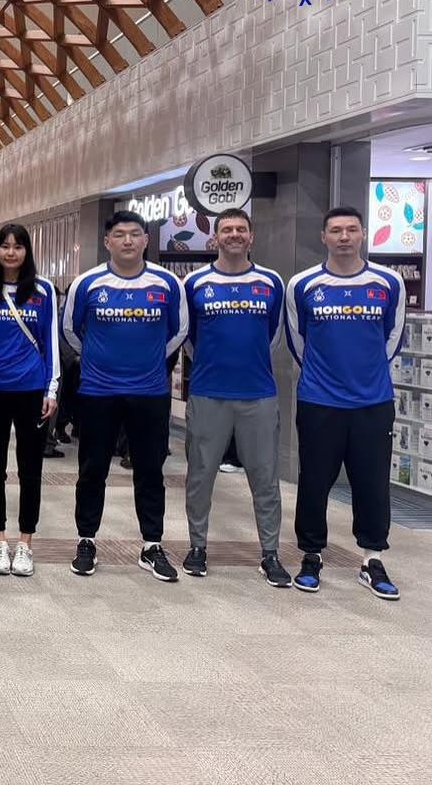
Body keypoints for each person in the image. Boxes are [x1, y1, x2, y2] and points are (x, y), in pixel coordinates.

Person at [286, 206, 405, 599]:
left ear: (363, 234)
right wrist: (328, 375)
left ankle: (372, 559)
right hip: (319, 401)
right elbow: (297, 341)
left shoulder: (388, 282)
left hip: (373, 402)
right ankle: (311, 555)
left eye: (351, 230)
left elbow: (393, 338)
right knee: (314, 480)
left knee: (372, 482)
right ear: (323, 236)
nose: (344, 237)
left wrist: (365, 374)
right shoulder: (303, 285)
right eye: (335, 230)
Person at [62, 210, 188, 582]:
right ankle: (86, 539)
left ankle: (152, 545)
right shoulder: (87, 283)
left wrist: (150, 360)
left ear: (146, 240)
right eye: (120, 234)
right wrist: (94, 358)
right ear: (107, 242)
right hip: (98, 391)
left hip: (150, 391)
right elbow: (70, 330)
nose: (128, 240)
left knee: (150, 470)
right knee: (92, 469)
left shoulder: (167, 283)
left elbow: (179, 331)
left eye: (135, 233)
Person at [180, 208, 290, 586]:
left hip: (258, 393)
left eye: (241, 228)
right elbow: (189, 338)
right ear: (215, 237)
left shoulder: (270, 282)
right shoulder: (195, 283)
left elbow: (274, 334)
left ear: (251, 236)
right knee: (200, 475)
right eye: (226, 229)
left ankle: (270, 553)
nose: (234, 234)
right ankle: (197, 547)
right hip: (208, 392)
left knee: (265, 478)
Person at [0, 224, 59, 576]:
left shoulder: (43, 290)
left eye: (18, 246)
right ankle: (0, 542)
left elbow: (51, 342)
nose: (10, 252)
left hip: (32, 390)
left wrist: (51, 390)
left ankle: (25, 544)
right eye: (4, 246)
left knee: (30, 468)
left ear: (27, 251)